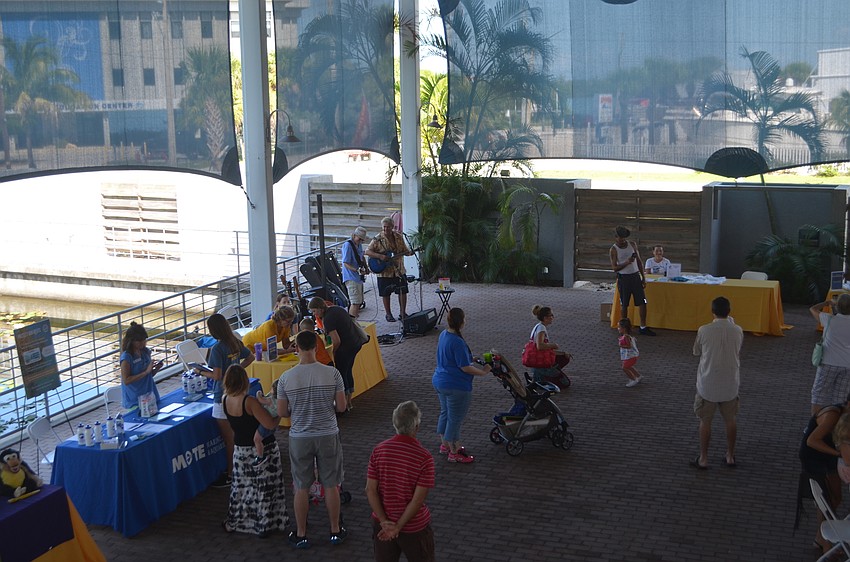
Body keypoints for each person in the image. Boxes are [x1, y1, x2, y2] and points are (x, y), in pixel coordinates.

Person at [277, 331, 348, 549]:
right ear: (316, 348)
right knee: (331, 484)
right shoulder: (333, 373)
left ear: (296, 349)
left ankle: (301, 533)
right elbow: (342, 407)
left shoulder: (286, 378)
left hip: (300, 437)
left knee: (301, 486)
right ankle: (335, 530)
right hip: (328, 434)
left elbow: (282, 412)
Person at [221, 365, 288, 538]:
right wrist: (279, 413)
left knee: (242, 489)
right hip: (263, 450)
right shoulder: (249, 402)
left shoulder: (224, 399)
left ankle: (239, 521)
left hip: (240, 451)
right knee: (265, 488)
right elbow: (269, 424)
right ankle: (265, 523)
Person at [365, 401, 436, 562]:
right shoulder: (424, 457)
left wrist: (384, 522)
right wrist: (398, 526)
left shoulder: (379, 450)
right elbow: (417, 500)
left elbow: (370, 490)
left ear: (395, 423)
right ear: (416, 427)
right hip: (414, 527)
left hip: (382, 526)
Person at [432, 308, 491, 463]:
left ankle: (445, 445)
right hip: (456, 386)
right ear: (461, 321)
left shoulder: (444, 334)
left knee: (445, 413)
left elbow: (452, 357)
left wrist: (471, 358)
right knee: (455, 419)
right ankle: (455, 451)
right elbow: (465, 368)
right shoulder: (457, 341)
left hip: (440, 381)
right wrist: (483, 372)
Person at [202, 313, 254, 488]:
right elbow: (251, 357)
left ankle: (231, 474)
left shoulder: (217, 349)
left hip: (222, 395)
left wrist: (200, 372)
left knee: (229, 439)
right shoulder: (235, 342)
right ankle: (244, 467)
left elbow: (216, 375)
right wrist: (237, 369)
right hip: (237, 392)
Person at [691, 296, 743, 469]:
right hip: (730, 383)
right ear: (729, 311)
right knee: (731, 420)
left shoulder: (704, 330)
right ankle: (730, 456)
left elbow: (696, 351)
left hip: (708, 384)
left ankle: (704, 459)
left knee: (705, 421)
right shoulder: (738, 330)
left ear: (712, 311)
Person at [798, 393, 850, 554]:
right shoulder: (833, 415)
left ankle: (820, 538)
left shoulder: (845, 418)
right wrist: (839, 454)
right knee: (827, 499)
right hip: (813, 456)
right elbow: (811, 441)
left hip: (829, 455)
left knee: (836, 498)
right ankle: (825, 544)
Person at [308, 296, 365, 410]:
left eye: (314, 311)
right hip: (355, 343)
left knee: (342, 375)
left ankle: (343, 404)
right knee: (348, 371)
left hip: (345, 348)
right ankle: (349, 402)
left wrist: (334, 352)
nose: (314, 314)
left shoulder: (328, 319)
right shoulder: (336, 308)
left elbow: (336, 340)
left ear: (320, 308)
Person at [609, 225, 655, 336]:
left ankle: (643, 326)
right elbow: (614, 268)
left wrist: (643, 277)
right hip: (624, 278)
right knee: (624, 304)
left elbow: (639, 261)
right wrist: (626, 262)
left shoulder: (632, 245)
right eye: (620, 237)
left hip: (635, 277)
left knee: (642, 302)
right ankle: (624, 328)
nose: (622, 240)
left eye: (624, 237)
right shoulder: (613, 249)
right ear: (616, 237)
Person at [365, 216, 413, 322]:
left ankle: (402, 313)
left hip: (398, 270)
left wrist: (410, 253)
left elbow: (405, 250)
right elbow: (367, 251)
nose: (386, 229)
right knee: (385, 293)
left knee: (402, 291)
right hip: (384, 271)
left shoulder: (399, 237)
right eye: (384, 227)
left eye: (388, 227)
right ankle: (388, 314)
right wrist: (380, 256)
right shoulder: (377, 238)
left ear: (392, 226)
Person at [809, 294, 850, 414]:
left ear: (837, 306)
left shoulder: (829, 319)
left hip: (828, 362)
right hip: (848, 365)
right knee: (841, 397)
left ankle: (815, 422)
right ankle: (839, 424)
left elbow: (813, 309)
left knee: (818, 394)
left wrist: (827, 303)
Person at [119, 322, 163, 408]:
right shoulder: (126, 357)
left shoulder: (145, 352)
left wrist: (156, 369)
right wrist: (146, 372)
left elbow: (148, 375)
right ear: (131, 341)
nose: (143, 343)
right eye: (139, 341)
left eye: (144, 340)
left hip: (150, 396)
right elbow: (126, 380)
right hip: (135, 400)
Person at [527, 305, 571, 389]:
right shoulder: (541, 329)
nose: (552, 317)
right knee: (565, 383)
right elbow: (540, 346)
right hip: (540, 361)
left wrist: (563, 353)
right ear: (545, 318)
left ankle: (542, 376)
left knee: (564, 356)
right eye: (551, 315)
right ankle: (545, 376)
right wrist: (553, 345)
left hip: (538, 358)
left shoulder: (538, 326)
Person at [342, 226, 369, 318]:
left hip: (358, 278)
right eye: (359, 239)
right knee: (355, 302)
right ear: (354, 235)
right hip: (351, 277)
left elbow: (361, 256)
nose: (360, 241)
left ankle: (355, 321)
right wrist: (357, 270)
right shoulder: (348, 245)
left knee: (359, 302)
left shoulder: (359, 244)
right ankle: (351, 323)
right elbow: (345, 263)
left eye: (362, 240)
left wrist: (366, 267)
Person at [617, 318, 641, 387]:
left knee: (624, 367)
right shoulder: (626, 336)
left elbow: (629, 346)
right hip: (632, 356)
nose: (618, 328)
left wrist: (621, 345)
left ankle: (633, 379)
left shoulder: (626, 337)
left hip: (630, 356)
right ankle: (638, 376)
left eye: (619, 327)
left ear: (624, 329)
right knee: (629, 366)